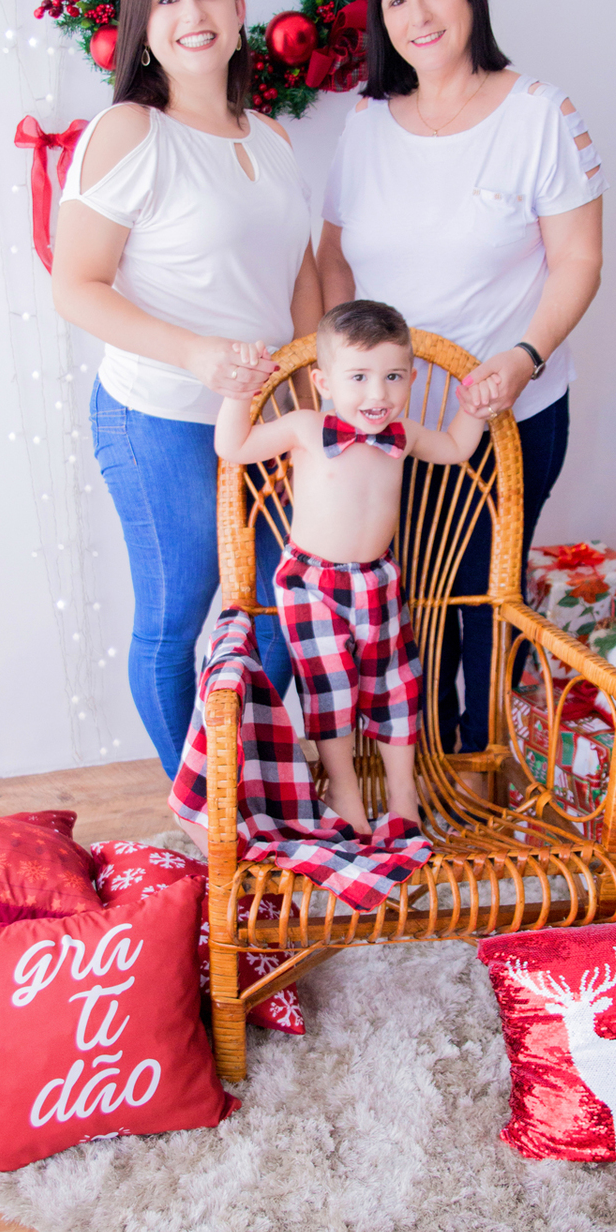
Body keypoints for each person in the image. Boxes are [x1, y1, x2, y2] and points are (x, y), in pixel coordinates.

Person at [317, 0, 604, 754]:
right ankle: (417, 779)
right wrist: (339, 374)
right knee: (402, 605)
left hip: (503, 413)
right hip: (385, 421)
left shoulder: (540, 113)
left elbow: (579, 261)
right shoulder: (368, 124)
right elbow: (332, 258)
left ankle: (476, 775)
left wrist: (522, 357)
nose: (418, 14)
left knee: (483, 600)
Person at [51, 0, 321, 778]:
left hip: (272, 424)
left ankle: (251, 785)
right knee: (177, 618)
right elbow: (76, 286)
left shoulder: (272, 138)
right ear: (145, 24)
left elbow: (301, 279)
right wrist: (198, 354)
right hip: (160, 417)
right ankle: (204, 818)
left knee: (283, 610)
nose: (192, 12)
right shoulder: (131, 131)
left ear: (240, 9)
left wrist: (311, 393)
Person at [213, 300, 501, 833]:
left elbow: (459, 447)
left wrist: (475, 407)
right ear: (324, 381)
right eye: (360, 377)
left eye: (393, 377)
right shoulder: (304, 427)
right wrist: (237, 396)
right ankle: (344, 788)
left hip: (378, 580)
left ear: (411, 378)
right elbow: (233, 446)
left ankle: (401, 793)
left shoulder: (405, 434)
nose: (378, 394)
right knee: (330, 691)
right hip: (311, 583)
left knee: (396, 684)